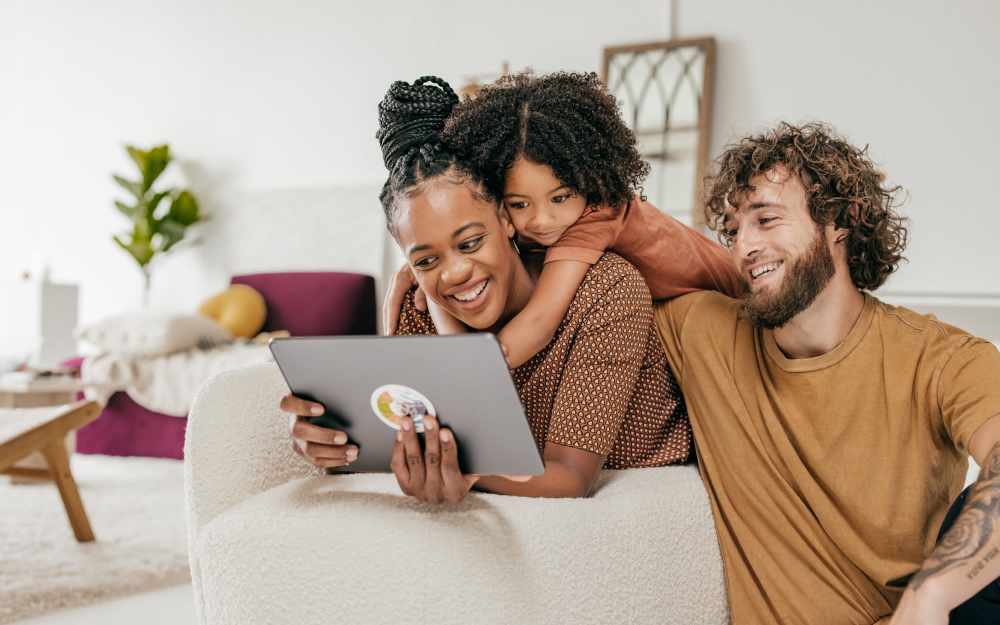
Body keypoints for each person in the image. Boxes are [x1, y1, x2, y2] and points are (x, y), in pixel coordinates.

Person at [281, 75, 723, 501]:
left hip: (640, 497)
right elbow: (411, 438)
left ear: (504, 221)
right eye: (426, 260)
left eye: (471, 243)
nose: (453, 273)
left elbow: (568, 477)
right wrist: (339, 449)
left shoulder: (605, 288)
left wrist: (467, 472)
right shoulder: (420, 306)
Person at [653, 122, 1000, 624]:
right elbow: (609, 227)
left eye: (766, 220)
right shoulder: (705, 333)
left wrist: (931, 596)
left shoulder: (942, 358)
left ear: (840, 221)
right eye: (731, 231)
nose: (743, 247)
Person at [384, 72, 743, 367]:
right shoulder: (553, 222)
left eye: (560, 197)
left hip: (739, 300)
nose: (542, 221)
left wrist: (464, 374)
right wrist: (418, 270)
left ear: (589, 180)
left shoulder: (594, 218)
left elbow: (539, 323)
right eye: (518, 204)